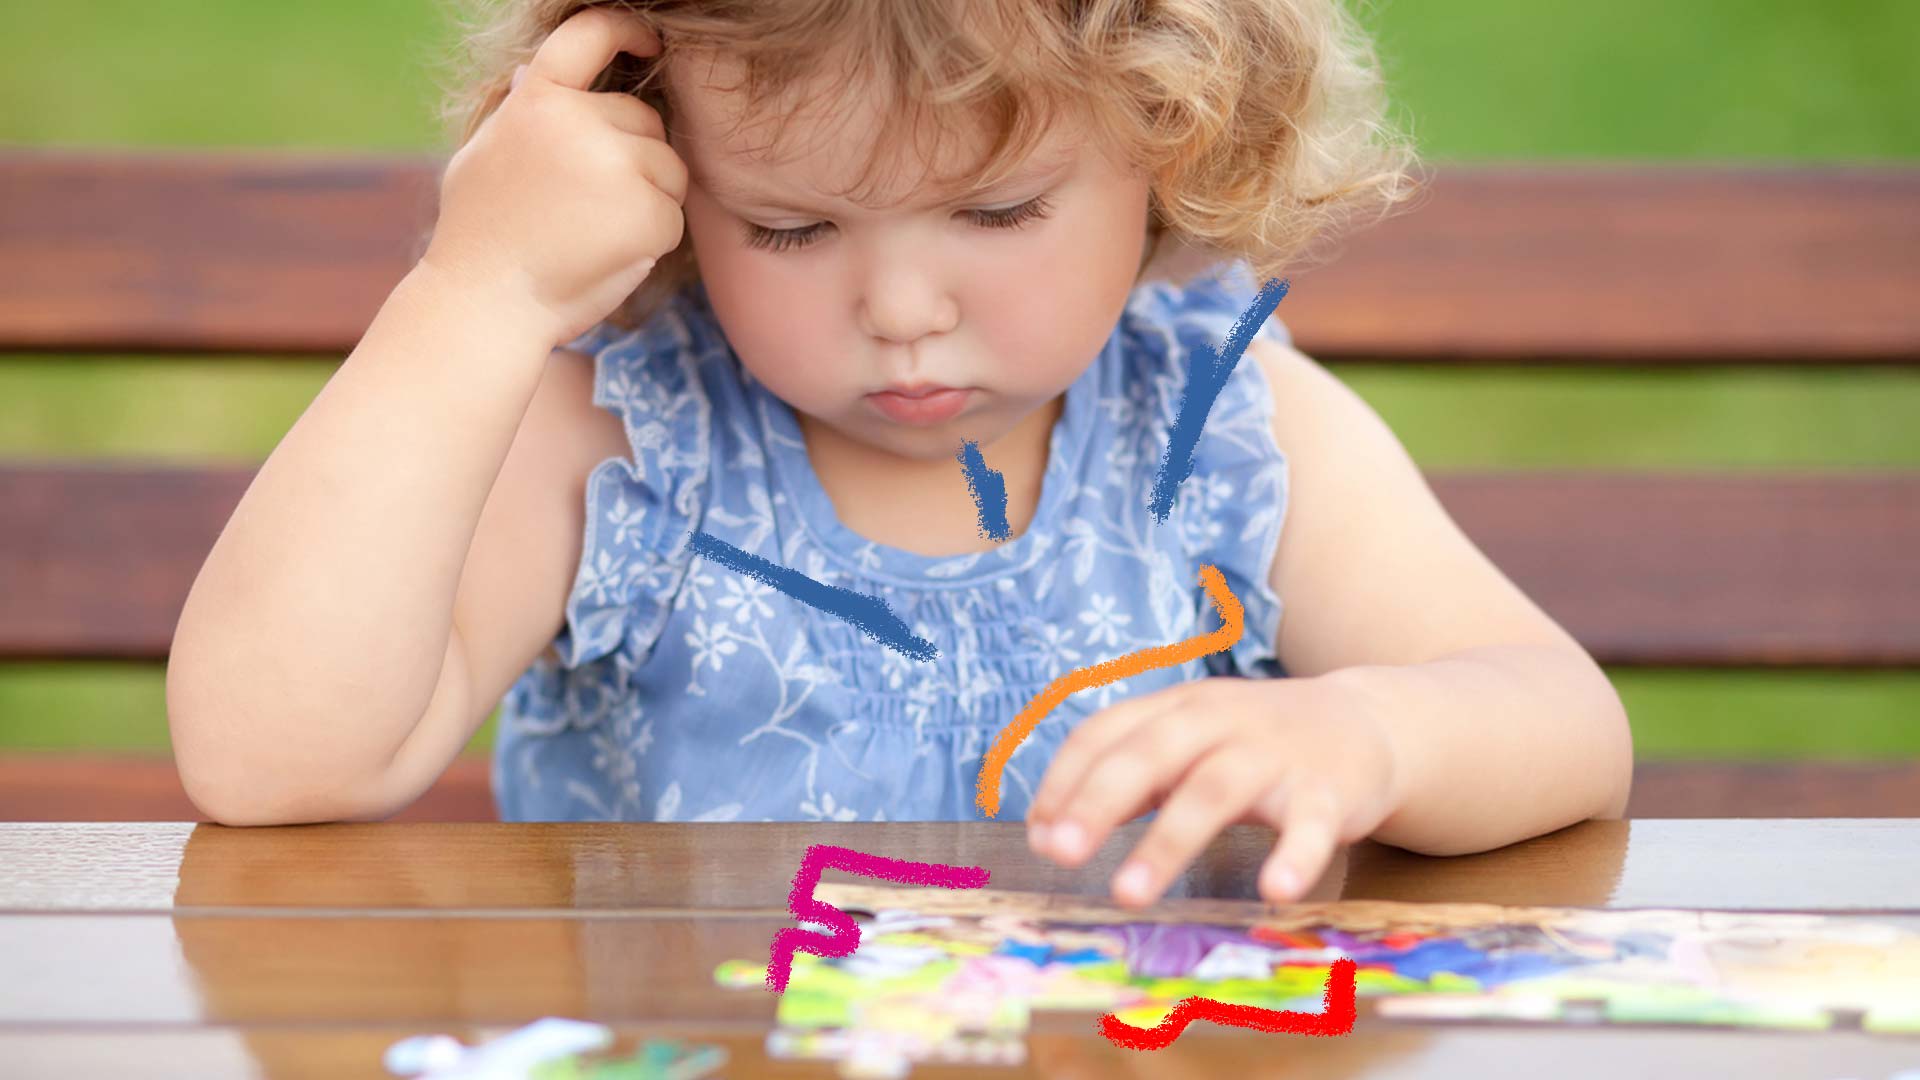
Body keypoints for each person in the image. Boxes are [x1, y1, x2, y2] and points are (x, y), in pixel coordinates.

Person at [166, 0, 1633, 908]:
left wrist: (1370, 737)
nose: (904, 311)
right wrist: (477, 295)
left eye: (996, 213)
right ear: (658, 164)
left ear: (1175, 133)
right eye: (792, 229)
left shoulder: (1224, 432)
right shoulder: (621, 435)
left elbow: (1560, 719)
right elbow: (270, 759)